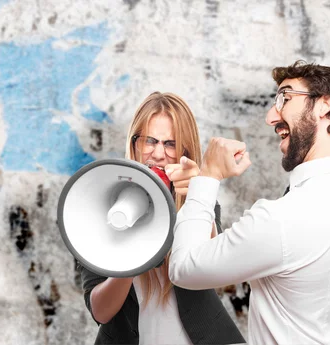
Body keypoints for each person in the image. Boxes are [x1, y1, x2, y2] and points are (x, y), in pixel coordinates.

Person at [168, 61, 330, 344]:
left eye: (284, 98)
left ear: (323, 105)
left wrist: (207, 177)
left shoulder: (278, 218)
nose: (270, 116)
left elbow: (184, 269)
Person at [79, 92, 245, 344]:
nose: (158, 154)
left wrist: (199, 193)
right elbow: (101, 311)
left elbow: (216, 269)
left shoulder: (198, 200)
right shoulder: (98, 207)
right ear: (134, 143)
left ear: (185, 151)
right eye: (149, 141)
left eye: (170, 144)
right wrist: (132, 259)